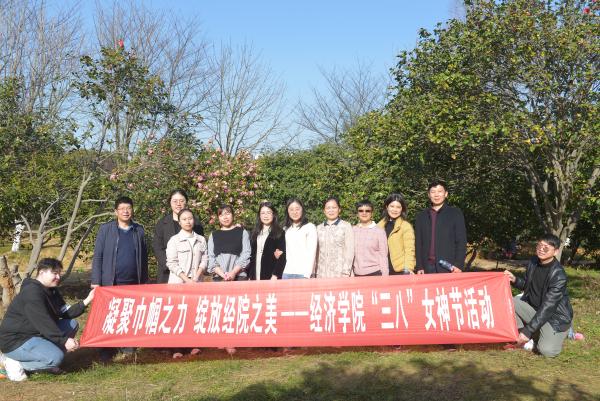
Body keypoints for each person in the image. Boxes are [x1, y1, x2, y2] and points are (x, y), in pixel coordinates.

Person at [0, 258, 94, 381]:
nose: (58, 277)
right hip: (17, 340)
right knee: (56, 358)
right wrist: (64, 340)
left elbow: (65, 312)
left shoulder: (51, 290)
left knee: (72, 324)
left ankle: (45, 357)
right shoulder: (32, 293)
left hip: (35, 333)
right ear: (42, 272)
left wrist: (88, 299)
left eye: (59, 273)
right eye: (54, 273)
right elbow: (44, 323)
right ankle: (12, 362)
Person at [91, 196, 148, 360]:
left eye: (128, 208)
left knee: (128, 313)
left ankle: (127, 344)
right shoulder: (106, 229)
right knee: (108, 315)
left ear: (132, 210)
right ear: (116, 211)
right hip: (111, 281)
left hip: (132, 281)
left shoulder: (139, 230)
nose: (125, 211)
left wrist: (144, 281)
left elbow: (143, 258)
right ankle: (106, 348)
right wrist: (96, 281)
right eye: (122, 208)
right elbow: (98, 256)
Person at [504, 234, 573, 357]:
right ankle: (522, 334)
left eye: (546, 247)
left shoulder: (559, 276)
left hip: (554, 318)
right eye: (539, 246)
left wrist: (528, 330)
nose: (541, 249)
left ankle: (565, 332)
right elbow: (528, 286)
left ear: (555, 252)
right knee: (511, 301)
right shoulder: (533, 262)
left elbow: (548, 307)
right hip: (535, 310)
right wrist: (514, 280)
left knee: (547, 351)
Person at [165, 208, 207, 358]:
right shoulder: (174, 240)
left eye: (190, 218)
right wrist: (187, 279)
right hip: (179, 283)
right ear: (179, 222)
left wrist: (196, 277)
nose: (188, 221)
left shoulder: (201, 239)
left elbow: (205, 259)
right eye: (184, 219)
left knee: (194, 314)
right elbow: (171, 263)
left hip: (196, 282)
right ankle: (177, 348)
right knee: (177, 315)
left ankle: (194, 345)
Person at [415, 180, 466, 274]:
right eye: (433, 192)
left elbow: (461, 241)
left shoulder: (455, 214)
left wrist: (458, 264)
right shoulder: (421, 216)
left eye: (439, 191)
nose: (436, 195)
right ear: (428, 195)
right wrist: (419, 266)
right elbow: (418, 243)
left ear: (446, 194)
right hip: (426, 267)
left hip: (449, 266)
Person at [153, 189, 204, 284]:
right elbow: (158, 248)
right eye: (175, 201)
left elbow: (200, 249)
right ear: (170, 203)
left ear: (186, 202)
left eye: (181, 201)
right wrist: (172, 267)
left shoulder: (196, 224)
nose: (178, 204)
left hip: (192, 275)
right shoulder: (162, 224)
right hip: (168, 272)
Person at [207, 204, 251, 282]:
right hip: (219, 278)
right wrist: (223, 275)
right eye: (221, 215)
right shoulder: (213, 235)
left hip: (239, 277)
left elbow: (246, 254)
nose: (225, 217)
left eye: (227, 214)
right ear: (218, 218)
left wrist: (233, 272)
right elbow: (211, 258)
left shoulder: (242, 232)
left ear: (233, 215)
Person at [315, 197, 354, 278]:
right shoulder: (318, 228)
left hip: (341, 274)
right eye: (328, 208)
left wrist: (346, 272)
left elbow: (350, 250)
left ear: (339, 209)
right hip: (322, 274)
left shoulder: (346, 226)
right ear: (324, 211)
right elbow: (316, 252)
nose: (331, 210)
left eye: (334, 207)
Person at [377, 193, 415, 275]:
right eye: (392, 206)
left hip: (400, 270)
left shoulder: (405, 226)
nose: (395, 210)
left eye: (398, 207)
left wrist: (408, 268)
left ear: (402, 209)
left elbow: (410, 250)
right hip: (382, 270)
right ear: (387, 207)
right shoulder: (379, 226)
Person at [248, 202, 286, 280]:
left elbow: (282, 257)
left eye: (268, 212)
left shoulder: (279, 232)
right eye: (263, 213)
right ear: (259, 215)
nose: (266, 216)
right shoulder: (254, 232)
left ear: (273, 214)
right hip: (255, 273)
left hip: (271, 275)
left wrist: (275, 275)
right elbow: (251, 255)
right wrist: (249, 274)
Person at [282, 198, 317, 279]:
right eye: (291, 209)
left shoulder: (310, 227)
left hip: (303, 273)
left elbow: (312, 252)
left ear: (302, 209)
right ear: (288, 211)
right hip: (287, 272)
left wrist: (307, 274)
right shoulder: (285, 229)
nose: (295, 212)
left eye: (297, 209)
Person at [353, 200, 389, 277]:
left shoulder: (379, 231)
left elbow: (383, 256)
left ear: (372, 213)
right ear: (357, 213)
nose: (364, 213)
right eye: (361, 210)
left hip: (375, 274)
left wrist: (385, 276)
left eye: (367, 211)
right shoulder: (353, 230)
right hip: (356, 275)